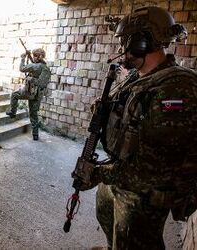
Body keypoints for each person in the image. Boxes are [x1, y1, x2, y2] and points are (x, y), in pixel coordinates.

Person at [73, 6, 197, 250]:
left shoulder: (175, 89)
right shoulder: (139, 77)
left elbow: (154, 170)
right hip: (119, 173)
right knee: (111, 223)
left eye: (125, 43)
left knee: (135, 241)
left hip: (143, 193)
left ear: (142, 42)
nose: (121, 51)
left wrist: (98, 173)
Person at [6, 48, 51, 140]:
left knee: (14, 94)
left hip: (29, 91)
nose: (33, 57)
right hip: (38, 95)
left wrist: (23, 58)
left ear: (39, 57)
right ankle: (35, 135)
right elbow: (42, 82)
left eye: (35, 55)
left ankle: (12, 112)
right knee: (33, 114)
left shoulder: (35, 66)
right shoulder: (45, 67)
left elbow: (22, 68)